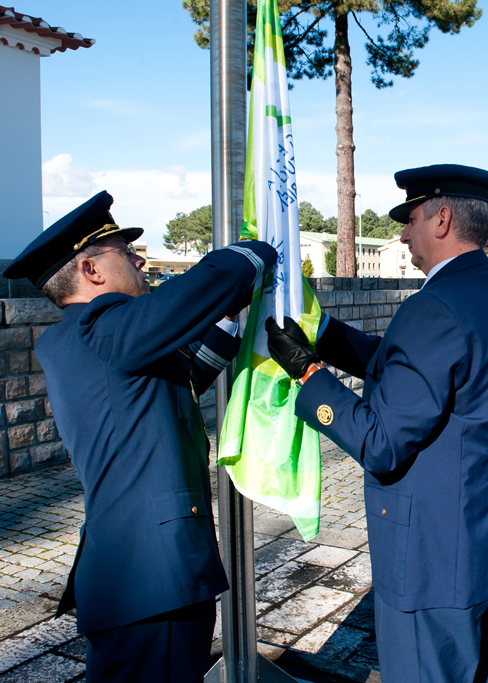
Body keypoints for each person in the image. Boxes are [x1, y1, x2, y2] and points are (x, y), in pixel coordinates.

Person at [1, 191, 277, 683]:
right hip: (153, 580)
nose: (140, 258)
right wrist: (257, 249)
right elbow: (217, 276)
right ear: (91, 271)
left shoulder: (77, 339)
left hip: (131, 576)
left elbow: (177, 383)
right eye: (124, 252)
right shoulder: (103, 329)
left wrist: (229, 316)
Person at [264, 164, 488, 683]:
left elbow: (381, 442)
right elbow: (412, 369)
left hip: (431, 557)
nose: (403, 233)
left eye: (411, 218)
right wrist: (325, 335)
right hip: (474, 544)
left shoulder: (435, 306)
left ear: (442, 218)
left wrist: (309, 375)